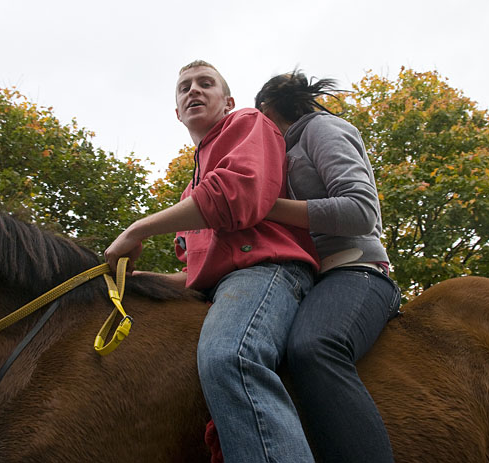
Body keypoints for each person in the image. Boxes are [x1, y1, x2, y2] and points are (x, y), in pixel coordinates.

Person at [104, 60, 320, 462]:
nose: (194, 91)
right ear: (177, 112)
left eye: (206, 84)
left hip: (267, 273)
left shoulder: (248, 124)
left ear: (228, 101)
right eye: (184, 87)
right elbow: (194, 277)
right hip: (224, 290)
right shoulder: (191, 190)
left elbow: (235, 195)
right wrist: (127, 279)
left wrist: (137, 229)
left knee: (229, 356)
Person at [255, 71, 401, 462]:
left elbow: (360, 211)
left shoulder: (320, 129)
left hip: (356, 270)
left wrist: (263, 209)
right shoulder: (279, 155)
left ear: (267, 110)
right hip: (308, 281)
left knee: (313, 347)